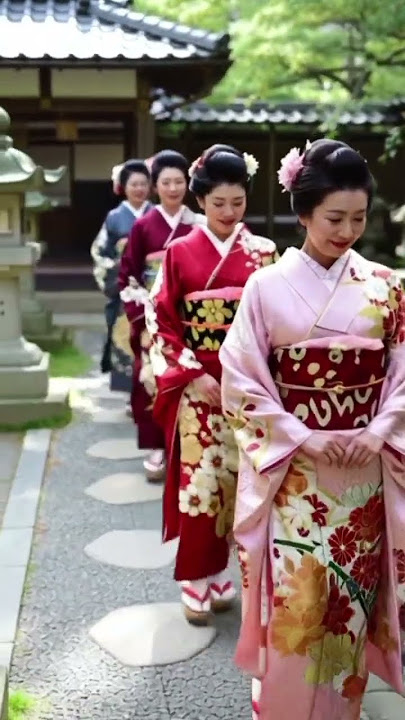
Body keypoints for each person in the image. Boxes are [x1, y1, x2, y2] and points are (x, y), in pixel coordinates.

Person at [220, 139, 405, 720]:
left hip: (364, 473)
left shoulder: (387, 286)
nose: (347, 229)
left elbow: (402, 368)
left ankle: (340, 711)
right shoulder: (265, 287)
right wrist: (302, 435)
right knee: (299, 601)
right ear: (303, 213)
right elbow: (242, 378)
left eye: (358, 217)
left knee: (349, 601)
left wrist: (381, 428)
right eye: (333, 218)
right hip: (297, 474)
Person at [145, 144, 278, 625]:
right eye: (218, 203)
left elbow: (275, 324)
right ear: (201, 201)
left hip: (249, 387)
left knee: (247, 480)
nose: (228, 213)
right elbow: (160, 317)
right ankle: (196, 576)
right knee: (201, 483)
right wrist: (191, 372)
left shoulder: (264, 254)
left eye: (238, 203)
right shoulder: (179, 252)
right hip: (199, 385)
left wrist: (258, 378)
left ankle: (232, 571)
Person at [119, 150, 199, 481]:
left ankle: (188, 446)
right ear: (156, 187)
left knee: (188, 381)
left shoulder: (197, 224)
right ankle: (156, 446)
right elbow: (129, 275)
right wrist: (142, 314)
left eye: (179, 181)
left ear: (188, 184)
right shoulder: (143, 227)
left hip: (188, 316)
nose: (173, 187)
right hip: (152, 315)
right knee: (150, 379)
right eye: (166, 182)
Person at [91, 160, 152, 393]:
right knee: (124, 338)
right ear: (124, 187)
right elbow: (100, 253)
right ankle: (130, 392)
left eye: (143, 184)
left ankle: (152, 393)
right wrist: (119, 270)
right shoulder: (114, 217)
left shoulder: (157, 214)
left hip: (153, 288)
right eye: (134, 184)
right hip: (124, 289)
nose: (139, 189)